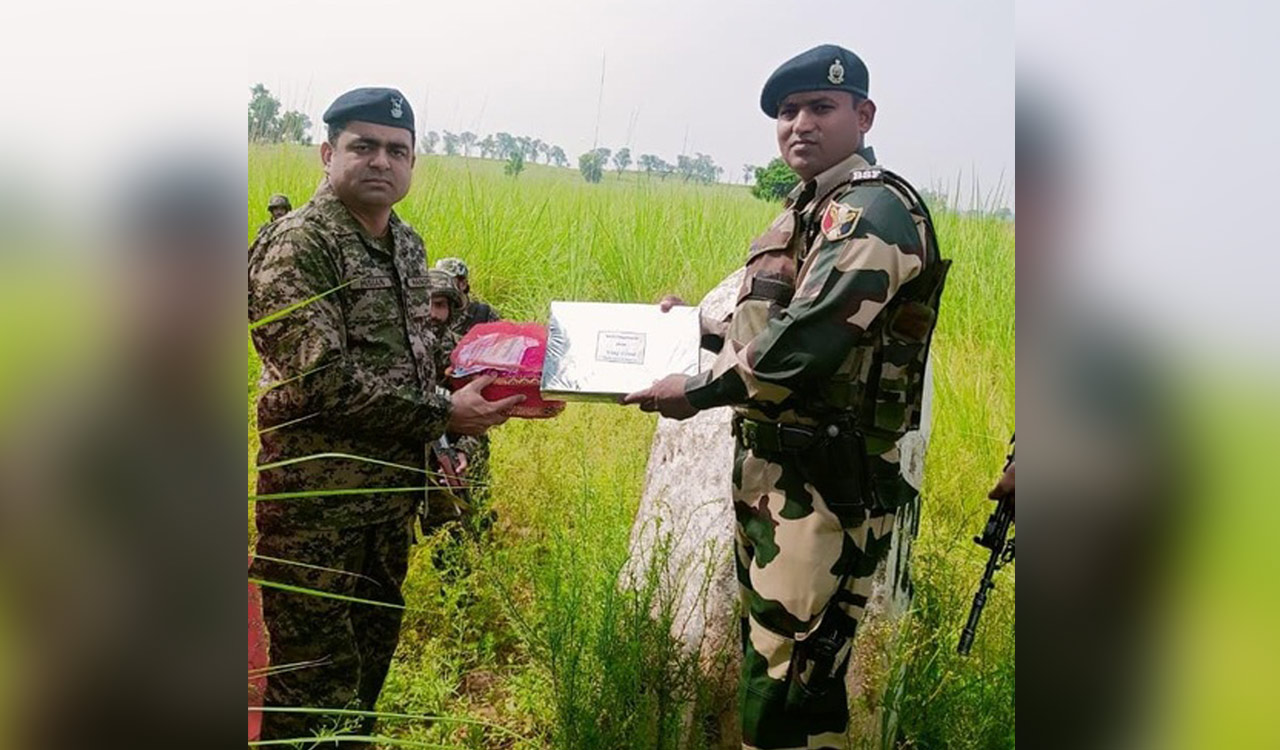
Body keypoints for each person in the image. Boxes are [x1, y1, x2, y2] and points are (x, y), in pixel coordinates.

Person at [622, 44, 949, 749]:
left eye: (820, 108)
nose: (800, 122)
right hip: (779, 482)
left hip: (824, 491)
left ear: (863, 115)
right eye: (787, 111)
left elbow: (810, 341)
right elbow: (768, 331)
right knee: (772, 660)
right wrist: (695, 332)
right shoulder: (813, 207)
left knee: (793, 686)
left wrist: (697, 388)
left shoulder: (874, 211)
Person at [248, 86, 522, 746]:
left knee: (367, 676)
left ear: (412, 164)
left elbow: (412, 353)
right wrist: (442, 413)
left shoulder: (405, 244)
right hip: (316, 510)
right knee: (311, 686)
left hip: (385, 503)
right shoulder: (298, 246)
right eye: (362, 146)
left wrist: (496, 383)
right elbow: (322, 382)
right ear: (326, 153)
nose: (381, 161)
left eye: (397, 150)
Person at [434, 256, 500, 336]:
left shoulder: (483, 314)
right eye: (439, 279)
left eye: (448, 280)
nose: (442, 284)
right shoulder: (433, 310)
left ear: (463, 284)